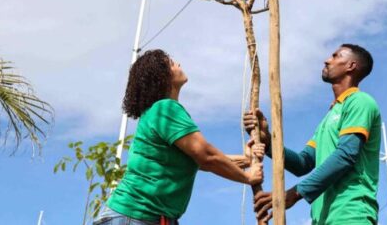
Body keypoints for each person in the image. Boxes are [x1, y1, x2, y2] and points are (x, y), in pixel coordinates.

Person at [97, 49, 264, 225]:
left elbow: (198, 160)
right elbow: (206, 156)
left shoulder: (158, 113)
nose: (178, 64)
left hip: (141, 218)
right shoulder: (165, 109)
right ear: (161, 77)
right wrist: (247, 177)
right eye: (171, 63)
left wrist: (246, 160)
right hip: (133, 216)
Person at [245, 44, 381, 225]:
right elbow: (303, 163)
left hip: (351, 214)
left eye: (336, 56)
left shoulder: (360, 101)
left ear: (351, 66)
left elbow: (346, 154)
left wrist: (295, 193)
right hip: (322, 219)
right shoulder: (329, 117)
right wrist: (268, 141)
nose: (327, 60)